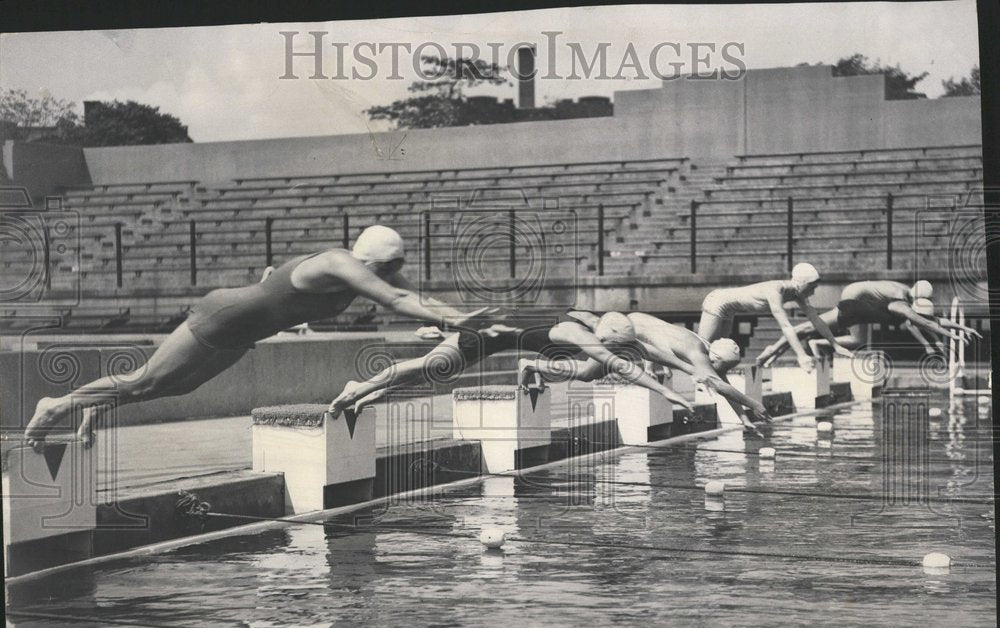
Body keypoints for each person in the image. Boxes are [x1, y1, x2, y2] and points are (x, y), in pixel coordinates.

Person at [24, 225, 490, 450]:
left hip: (243, 332)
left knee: (177, 385)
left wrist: (465, 319)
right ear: (378, 262)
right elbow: (395, 299)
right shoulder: (338, 263)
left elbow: (417, 296)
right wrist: (452, 325)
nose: (398, 275)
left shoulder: (362, 273)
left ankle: (93, 408)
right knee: (147, 380)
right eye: (393, 268)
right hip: (224, 316)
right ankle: (58, 406)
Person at [328, 310, 697, 417]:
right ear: (605, 340)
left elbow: (644, 352)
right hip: (484, 335)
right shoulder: (580, 334)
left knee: (434, 372)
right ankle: (357, 386)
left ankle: (366, 397)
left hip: (495, 333)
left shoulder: (590, 319)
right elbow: (622, 366)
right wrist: (668, 392)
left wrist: (690, 372)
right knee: (427, 366)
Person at [755, 280, 980, 366]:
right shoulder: (898, 303)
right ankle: (772, 350)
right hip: (854, 302)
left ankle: (774, 350)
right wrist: (951, 336)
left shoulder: (905, 293)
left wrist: (962, 327)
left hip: (860, 305)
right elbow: (923, 321)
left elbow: (932, 319)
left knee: (852, 339)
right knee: (804, 329)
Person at [625, 312, 773, 435]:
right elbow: (718, 384)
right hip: (630, 327)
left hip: (642, 324)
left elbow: (724, 385)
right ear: (716, 359)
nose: (723, 372)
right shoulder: (695, 350)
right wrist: (754, 404)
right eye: (724, 368)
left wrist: (744, 419)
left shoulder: (709, 349)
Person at [697, 263, 852, 373]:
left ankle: (709, 386)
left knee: (719, 355)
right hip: (717, 302)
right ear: (803, 283)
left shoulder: (798, 295)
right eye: (812, 287)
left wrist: (835, 345)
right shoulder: (776, 289)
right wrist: (801, 355)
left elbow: (816, 320)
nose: (813, 292)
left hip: (729, 310)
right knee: (701, 348)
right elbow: (785, 326)